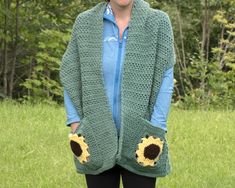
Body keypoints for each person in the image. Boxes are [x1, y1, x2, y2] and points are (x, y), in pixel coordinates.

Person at [59, 0, 176, 187]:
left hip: (142, 136)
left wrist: (157, 127)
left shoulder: (158, 22)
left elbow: (165, 77)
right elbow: (71, 73)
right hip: (95, 135)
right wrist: (75, 124)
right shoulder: (85, 23)